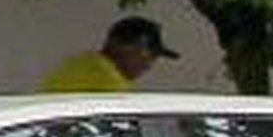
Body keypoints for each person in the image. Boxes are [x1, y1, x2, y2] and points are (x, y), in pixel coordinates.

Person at [43, 15, 178, 93]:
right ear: (123, 47)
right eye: (148, 53)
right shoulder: (111, 83)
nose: (149, 64)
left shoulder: (78, 63)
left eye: (154, 57)